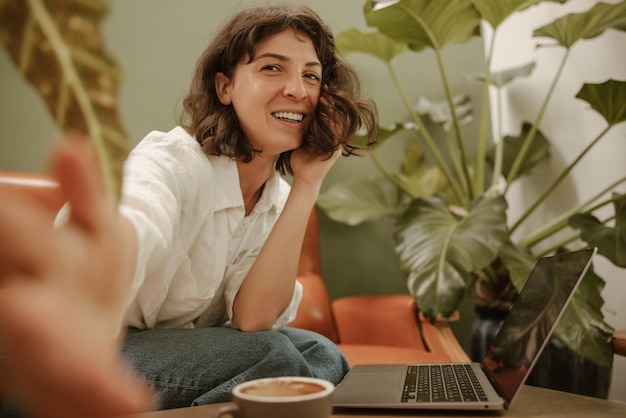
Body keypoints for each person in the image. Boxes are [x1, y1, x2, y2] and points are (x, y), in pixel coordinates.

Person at [0, 3, 377, 416]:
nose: (297, 90)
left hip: (163, 354)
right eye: (272, 68)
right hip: (80, 348)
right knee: (273, 361)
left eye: (310, 75)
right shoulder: (171, 160)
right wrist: (97, 259)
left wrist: (308, 183)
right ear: (225, 87)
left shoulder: (278, 197)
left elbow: (253, 318)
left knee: (323, 355)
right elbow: (139, 214)